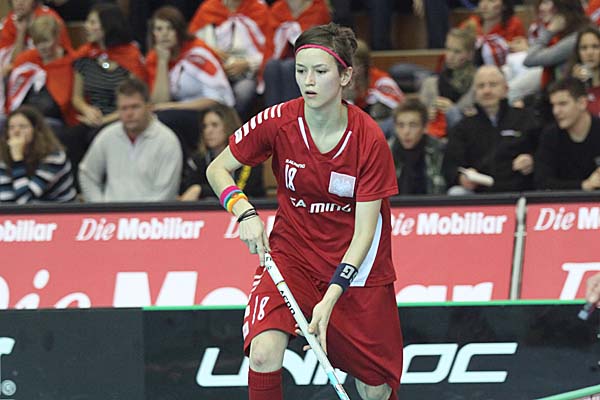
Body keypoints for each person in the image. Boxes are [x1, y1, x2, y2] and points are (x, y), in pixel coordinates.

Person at [205, 22, 403, 400]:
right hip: (291, 257)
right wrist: (244, 211)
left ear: (345, 76)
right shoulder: (279, 121)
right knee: (263, 353)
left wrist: (331, 297)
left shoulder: (369, 140)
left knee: (376, 390)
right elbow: (218, 169)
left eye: (320, 71)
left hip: (355, 272)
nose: (308, 81)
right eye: (300, 70)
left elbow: (365, 233)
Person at [65, 3, 147, 176]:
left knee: (96, 136)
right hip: (94, 116)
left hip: (121, 116)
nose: (86, 27)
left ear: (107, 25)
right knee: (71, 137)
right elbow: (76, 98)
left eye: (92, 22)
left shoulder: (129, 56)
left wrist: (105, 119)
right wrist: (87, 110)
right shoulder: (85, 55)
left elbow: (139, 99)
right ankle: (78, 186)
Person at [146, 5, 235, 155]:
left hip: (211, 111)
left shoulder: (198, 52)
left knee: (164, 119)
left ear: (179, 30)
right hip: (180, 111)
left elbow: (217, 98)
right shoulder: (155, 57)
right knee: (155, 119)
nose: (164, 34)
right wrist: (162, 61)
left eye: (170, 28)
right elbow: (159, 102)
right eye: (159, 29)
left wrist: (173, 106)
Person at [78, 78, 183, 202]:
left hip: (152, 213)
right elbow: (87, 174)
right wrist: (100, 206)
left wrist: (143, 214)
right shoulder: (107, 136)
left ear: (149, 107)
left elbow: (165, 193)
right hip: (111, 212)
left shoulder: (167, 141)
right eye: (124, 108)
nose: (129, 114)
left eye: (135, 107)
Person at [443, 65, 540, 194]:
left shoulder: (526, 118)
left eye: (493, 85)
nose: (487, 91)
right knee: (457, 192)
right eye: (481, 86)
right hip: (479, 194)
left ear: (506, 89)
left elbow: (545, 152)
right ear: (475, 93)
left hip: (521, 192)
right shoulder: (462, 128)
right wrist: (460, 177)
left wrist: (532, 160)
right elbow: (450, 165)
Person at [188, 0, 273, 120]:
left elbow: (271, 49)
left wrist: (247, 64)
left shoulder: (258, 9)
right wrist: (211, 52)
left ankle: (233, 127)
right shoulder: (209, 8)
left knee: (243, 92)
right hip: (214, 70)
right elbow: (193, 44)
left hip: (247, 71)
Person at [179, 104, 264, 201]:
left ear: (229, 126)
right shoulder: (198, 159)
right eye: (204, 126)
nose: (208, 131)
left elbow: (238, 192)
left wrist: (201, 190)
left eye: (214, 125)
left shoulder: (248, 157)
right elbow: (188, 190)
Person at [7, 15, 77, 131]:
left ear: (57, 37)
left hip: (56, 120)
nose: (41, 47)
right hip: (24, 117)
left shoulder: (73, 61)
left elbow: (66, 104)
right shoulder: (25, 60)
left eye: (46, 41)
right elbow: (13, 98)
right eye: (37, 42)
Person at [0, 105, 76, 203]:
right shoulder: (3, 155)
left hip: (60, 208)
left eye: (23, 126)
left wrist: (17, 159)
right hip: (29, 208)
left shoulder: (54, 157)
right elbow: (5, 199)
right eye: (11, 127)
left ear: (36, 130)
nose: (16, 131)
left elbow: (24, 201)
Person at [535, 77, 600, 190]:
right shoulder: (550, 135)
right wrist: (584, 185)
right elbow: (542, 182)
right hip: (563, 201)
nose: (556, 111)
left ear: (582, 103)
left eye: (563, 104)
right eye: (553, 105)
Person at [263, 0, 331, 107]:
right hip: (281, 57)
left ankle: (293, 113)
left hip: (312, 60)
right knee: (271, 66)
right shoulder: (277, 9)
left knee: (290, 66)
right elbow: (270, 44)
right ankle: (273, 114)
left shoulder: (318, 7)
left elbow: (321, 44)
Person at [419, 27, 477, 138]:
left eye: (457, 51)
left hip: (464, 138)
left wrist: (453, 111)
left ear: (470, 54)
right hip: (433, 138)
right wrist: (426, 115)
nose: (450, 56)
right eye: (448, 49)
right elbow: (418, 117)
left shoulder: (478, 84)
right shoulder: (430, 83)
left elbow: (477, 123)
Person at [344, 39, 404, 138]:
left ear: (365, 65)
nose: (350, 69)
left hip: (378, 129)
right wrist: (348, 98)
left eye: (355, 64)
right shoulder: (340, 81)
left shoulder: (382, 81)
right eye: (346, 64)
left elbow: (401, 110)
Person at [389, 98, 446, 195]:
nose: (406, 132)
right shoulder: (386, 151)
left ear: (425, 127)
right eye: (401, 125)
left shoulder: (438, 150)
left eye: (413, 125)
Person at [0, 0, 72, 77]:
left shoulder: (48, 19)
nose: (20, 2)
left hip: (55, 70)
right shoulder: (11, 20)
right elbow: (12, 60)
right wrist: (21, 32)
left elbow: (53, 57)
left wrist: (12, 67)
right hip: (24, 70)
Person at [460, 0, 526, 67]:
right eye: (482, 0)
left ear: (504, 5)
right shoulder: (471, 23)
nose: (484, 6)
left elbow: (520, 53)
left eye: (491, 1)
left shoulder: (514, 24)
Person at [567, 26, 600, 117]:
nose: (589, 53)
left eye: (595, 47)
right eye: (584, 48)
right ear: (578, 52)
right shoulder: (571, 84)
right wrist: (575, 84)